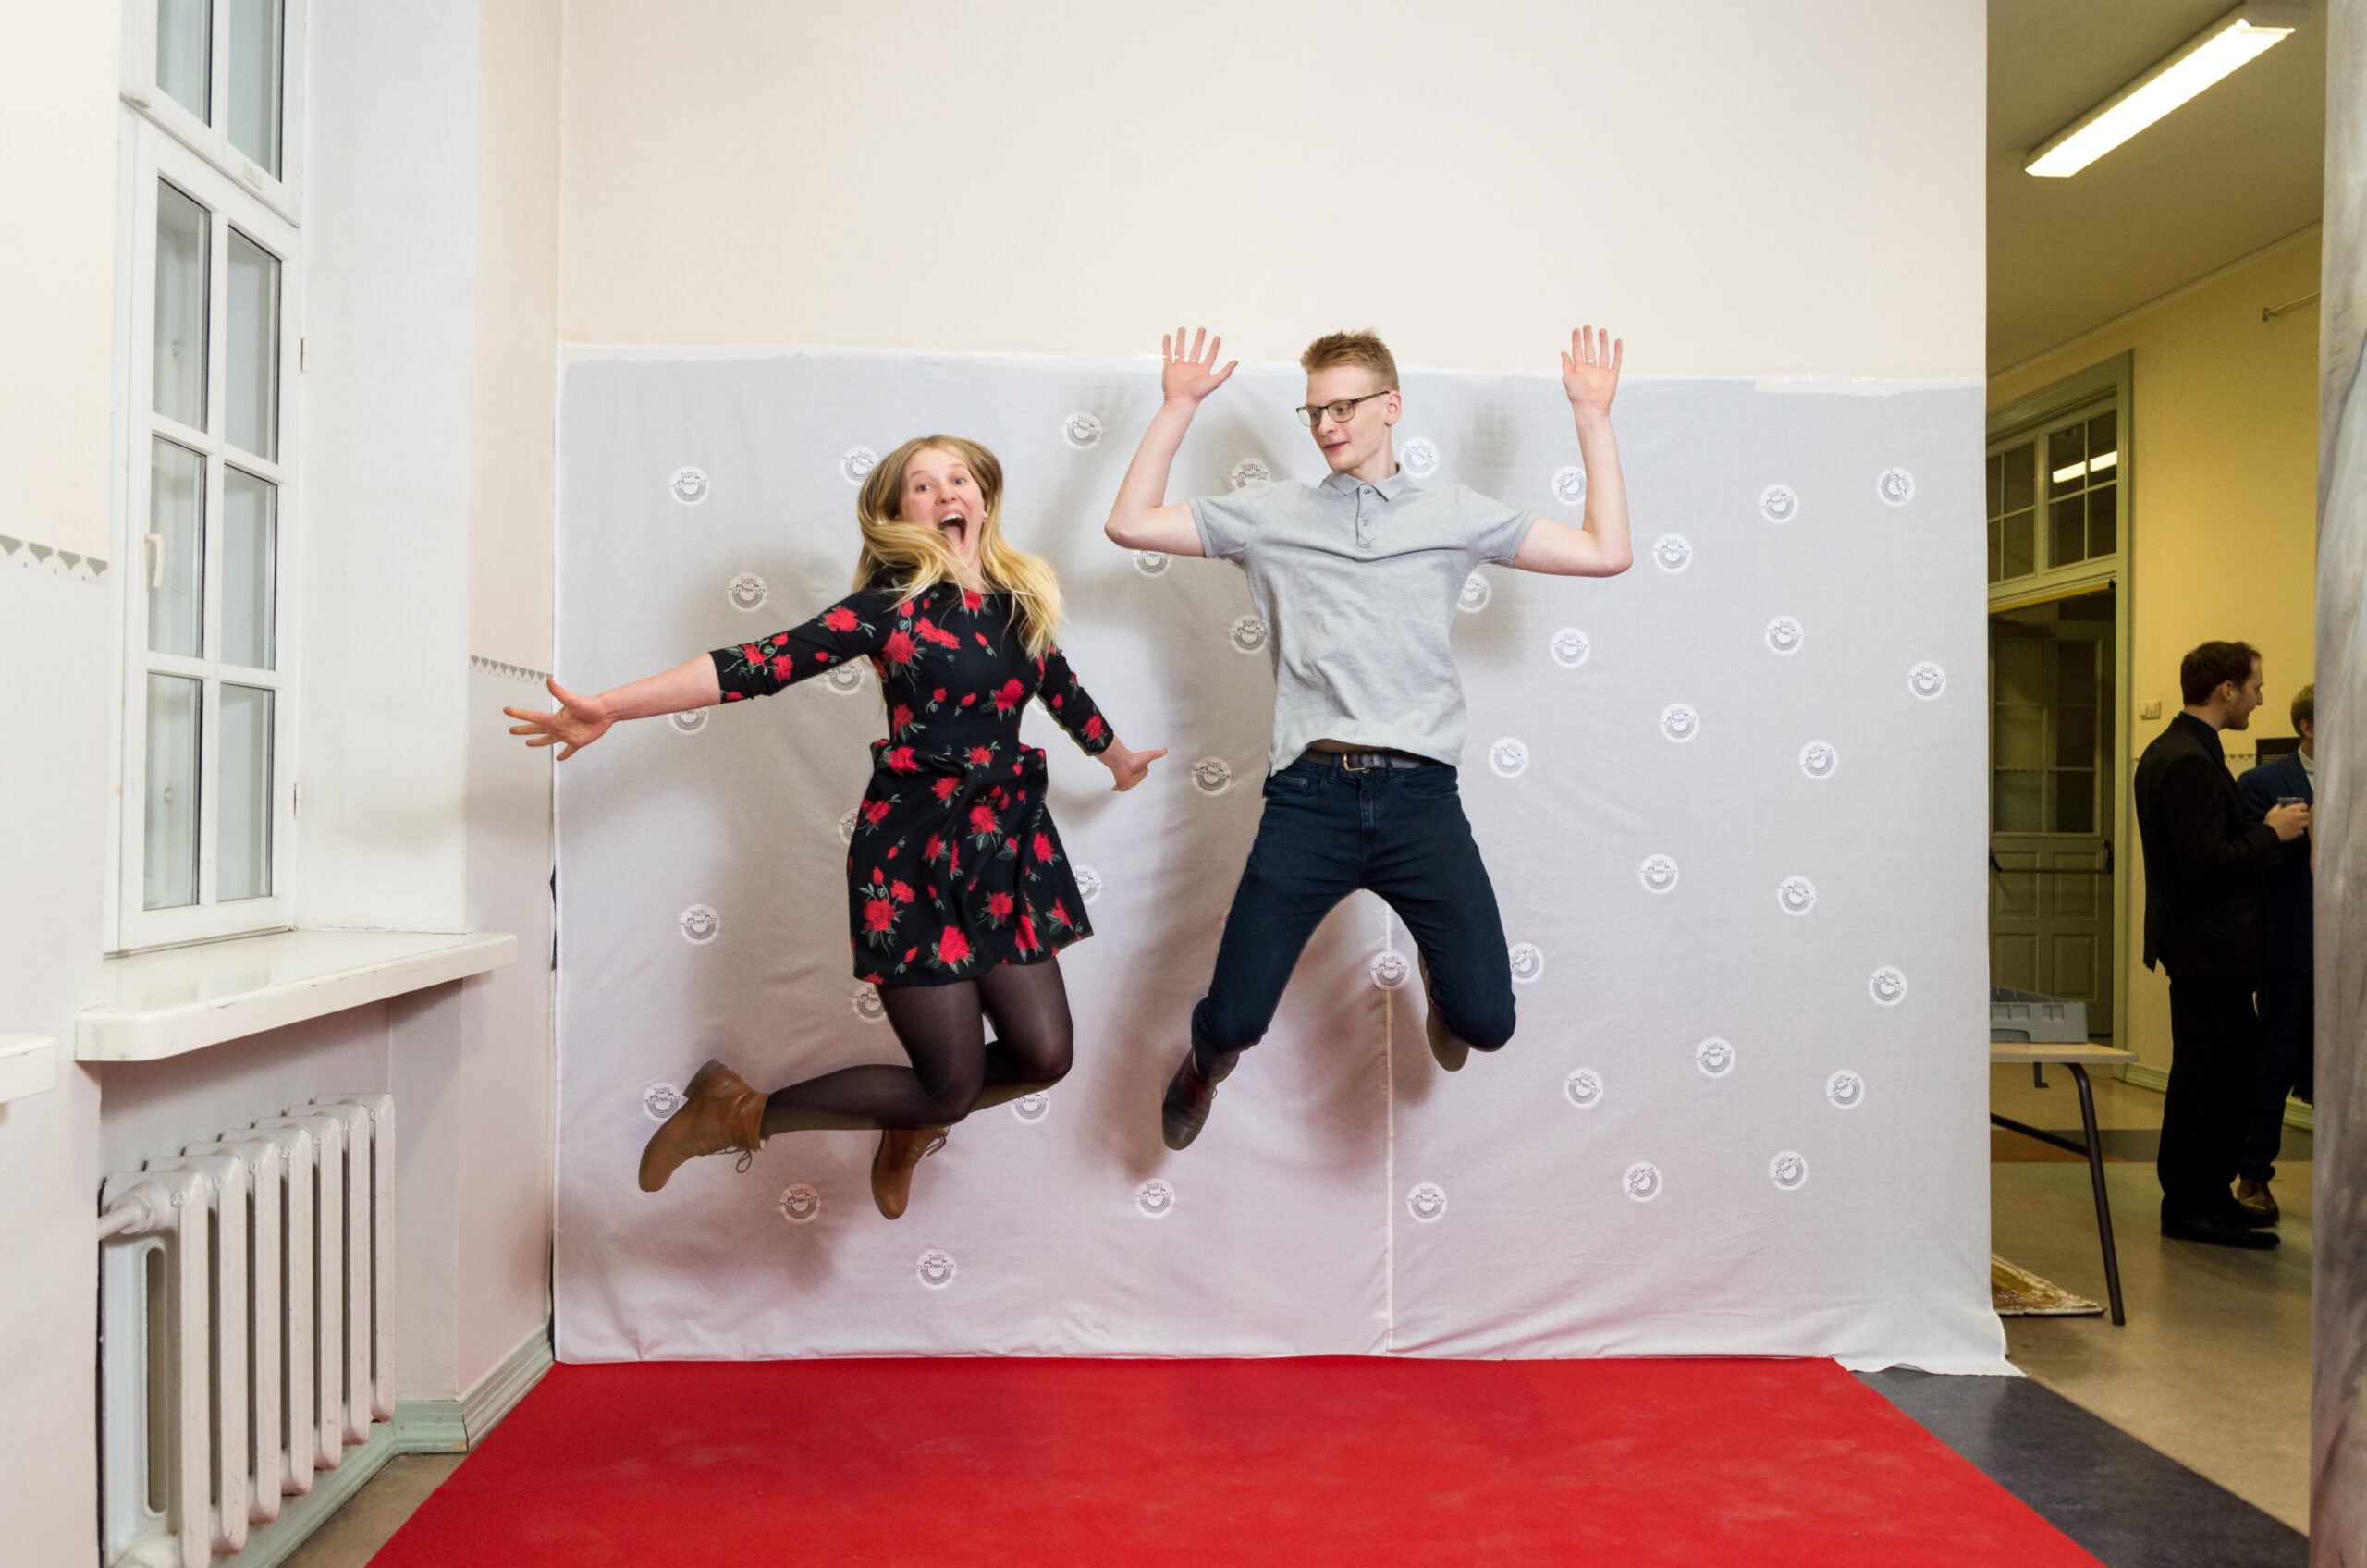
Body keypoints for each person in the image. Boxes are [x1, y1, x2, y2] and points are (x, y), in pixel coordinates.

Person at [507, 436, 1165, 1218]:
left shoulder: (1020, 606)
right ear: (899, 515)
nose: (946, 492)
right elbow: (756, 663)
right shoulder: (888, 609)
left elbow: (1060, 689)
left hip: (1003, 852)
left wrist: (1118, 759)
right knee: (949, 1085)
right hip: (913, 857)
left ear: (984, 500)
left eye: (958, 478)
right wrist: (612, 707)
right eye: (923, 485)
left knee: (1045, 1055)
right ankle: (735, 1111)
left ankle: (910, 1122)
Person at [1104, 325, 1633, 1150]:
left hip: (1421, 800)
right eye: (1315, 411)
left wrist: (1592, 416)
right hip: (1308, 800)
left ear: (1392, 406)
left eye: (1344, 407)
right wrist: (1177, 405)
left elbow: (1606, 552)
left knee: (1487, 1023)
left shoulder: (1454, 515)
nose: (1327, 425)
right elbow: (1130, 523)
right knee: (1236, 1018)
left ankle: (1441, 976)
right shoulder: (1269, 516)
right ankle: (1207, 1062)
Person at [2131, 641, 2309, 1249]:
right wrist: (2272, 833)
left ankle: (2206, 1198)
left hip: (2206, 948)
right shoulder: (2188, 761)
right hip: (2209, 949)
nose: (2260, 698)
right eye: (2255, 686)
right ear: (2225, 689)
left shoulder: (2179, 750)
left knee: (2220, 1077)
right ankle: (2191, 1206)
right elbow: (2206, 863)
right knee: (2207, 1082)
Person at [2233, 681, 2317, 1223]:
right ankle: (2253, 1174)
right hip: (2290, 949)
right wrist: (2282, 836)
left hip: (2351, 952)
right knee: (2276, 1063)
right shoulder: (2262, 783)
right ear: (2308, 727)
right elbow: (2247, 862)